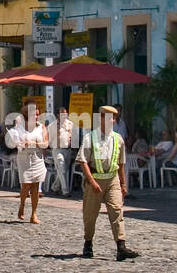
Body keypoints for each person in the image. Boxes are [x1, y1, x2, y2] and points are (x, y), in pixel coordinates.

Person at [77, 106, 139, 261]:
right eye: (109, 117)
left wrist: (123, 185)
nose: (113, 121)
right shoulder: (90, 137)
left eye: (114, 118)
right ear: (101, 119)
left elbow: (121, 163)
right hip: (95, 180)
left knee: (117, 210)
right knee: (90, 214)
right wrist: (91, 181)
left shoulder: (118, 139)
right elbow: (83, 161)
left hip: (112, 179)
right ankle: (88, 243)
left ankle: (121, 246)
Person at [6, 107, 48, 223]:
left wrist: (34, 143)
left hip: (37, 158)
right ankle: (22, 205)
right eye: (34, 114)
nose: (37, 117)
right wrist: (19, 143)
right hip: (24, 158)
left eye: (38, 114)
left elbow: (46, 143)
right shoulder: (20, 128)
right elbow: (14, 141)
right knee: (25, 185)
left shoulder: (41, 127)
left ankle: (34, 214)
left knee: (35, 186)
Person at [54, 107, 76, 195]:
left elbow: (73, 136)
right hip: (57, 149)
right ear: (58, 115)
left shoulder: (70, 124)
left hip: (67, 150)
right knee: (62, 167)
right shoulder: (54, 125)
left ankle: (55, 186)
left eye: (66, 114)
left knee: (63, 170)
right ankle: (65, 191)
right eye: (62, 114)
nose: (64, 116)